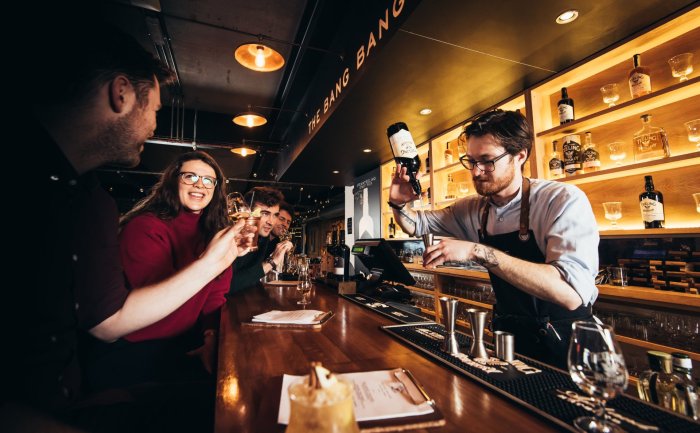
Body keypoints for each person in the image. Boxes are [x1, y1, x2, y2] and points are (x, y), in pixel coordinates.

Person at [4, 17, 250, 433]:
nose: (154, 125)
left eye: (209, 180)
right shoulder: (138, 222)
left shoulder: (90, 197)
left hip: (71, 397)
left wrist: (212, 330)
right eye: (154, 109)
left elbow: (205, 301)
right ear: (121, 93)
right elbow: (116, 324)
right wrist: (213, 262)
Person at [389, 109, 599, 369]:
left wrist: (477, 251)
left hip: (570, 344)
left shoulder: (561, 200)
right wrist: (398, 204)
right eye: (471, 161)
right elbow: (416, 224)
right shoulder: (474, 209)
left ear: (519, 155)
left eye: (487, 161)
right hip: (511, 338)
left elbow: (570, 294)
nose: (476, 172)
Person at [83, 151, 240, 392]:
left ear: (216, 189)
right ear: (173, 180)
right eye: (190, 176)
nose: (200, 184)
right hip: (139, 349)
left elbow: (214, 298)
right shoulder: (145, 227)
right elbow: (157, 315)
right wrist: (209, 263)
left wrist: (211, 337)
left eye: (208, 180)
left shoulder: (213, 234)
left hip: (185, 342)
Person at [229, 187, 294, 294]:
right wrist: (272, 262)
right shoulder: (233, 237)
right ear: (248, 211)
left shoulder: (263, 238)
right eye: (265, 213)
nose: (271, 222)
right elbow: (229, 285)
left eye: (275, 215)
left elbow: (252, 278)